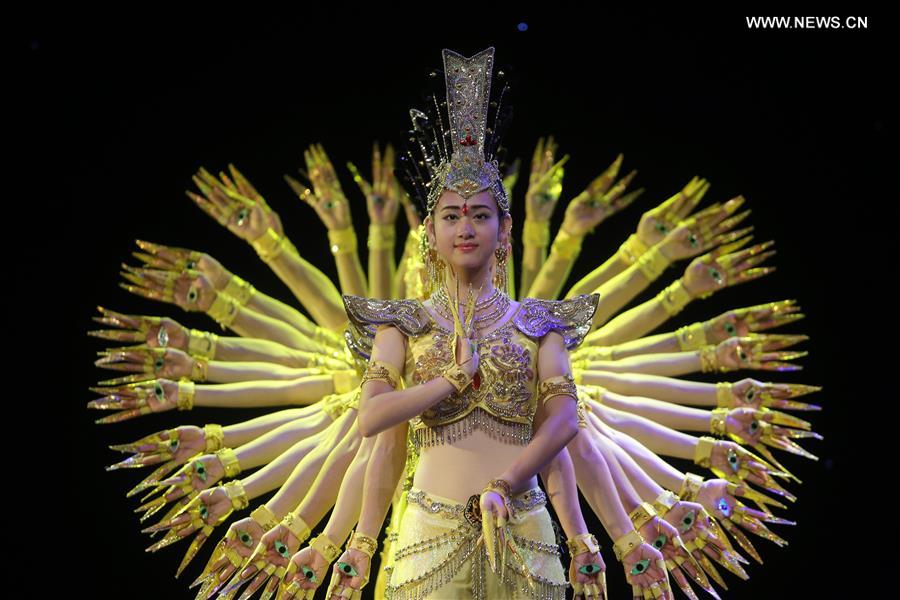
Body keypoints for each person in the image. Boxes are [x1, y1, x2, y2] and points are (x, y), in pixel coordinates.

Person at [89, 46, 821, 600]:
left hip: (526, 525)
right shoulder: (402, 324)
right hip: (425, 531)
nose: (464, 227)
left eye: (479, 215)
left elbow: (564, 432)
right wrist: (370, 526)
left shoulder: (541, 323)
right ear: (431, 234)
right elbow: (377, 427)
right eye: (450, 216)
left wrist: (576, 527)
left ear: (503, 230)